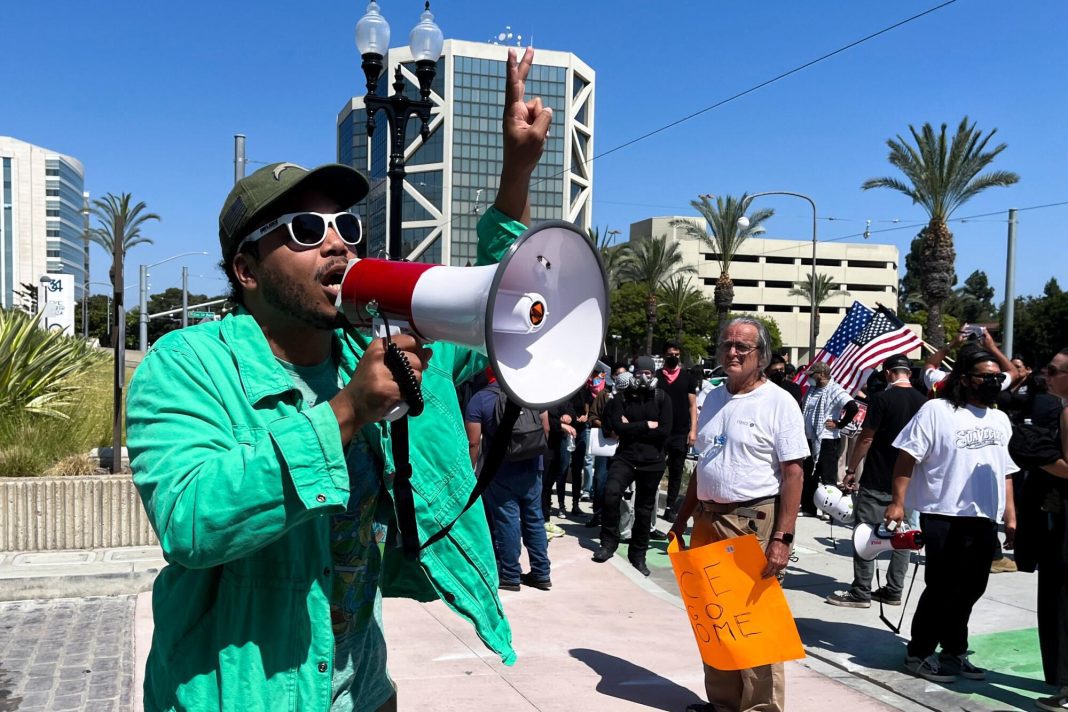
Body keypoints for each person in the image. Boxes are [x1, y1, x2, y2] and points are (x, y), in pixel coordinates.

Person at [127, 47, 551, 711]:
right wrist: (347, 413)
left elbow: (500, 309)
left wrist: (517, 172)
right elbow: (190, 522)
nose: (338, 244)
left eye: (346, 226)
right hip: (240, 695)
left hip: (362, 690)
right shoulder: (185, 366)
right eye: (304, 229)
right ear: (246, 269)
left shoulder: (375, 346)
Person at [671, 317, 807, 712]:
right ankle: (724, 703)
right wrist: (681, 519)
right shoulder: (713, 397)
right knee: (713, 617)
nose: (732, 352)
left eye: (742, 347)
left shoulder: (779, 402)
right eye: (727, 344)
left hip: (752, 522)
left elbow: (793, 473)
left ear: (761, 356)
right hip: (706, 520)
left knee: (753, 621)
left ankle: (761, 708)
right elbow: (704, 465)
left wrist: (782, 538)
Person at [884, 349, 1019, 684]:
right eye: (985, 376)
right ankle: (919, 653)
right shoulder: (936, 410)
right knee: (943, 588)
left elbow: (1006, 472)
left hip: (984, 517)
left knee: (972, 588)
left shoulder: (999, 419)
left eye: (995, 377)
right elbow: (906, 458)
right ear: (963, 378)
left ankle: (955, 651)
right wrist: (898, 503)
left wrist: (1011, 516)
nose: (993, 382)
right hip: (943, 515)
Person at [826, 354, 926, 608]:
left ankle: (861, 590)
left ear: (888, 373)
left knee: (866, 533)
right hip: (910, 481)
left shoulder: (882, 399)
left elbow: (867, 438)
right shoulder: (924, 402)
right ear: (909, 374)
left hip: (878, 476)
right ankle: (894, 589)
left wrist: (851, 468)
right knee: (902, 534)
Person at [464, 368, 552, 592]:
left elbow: (473, 442)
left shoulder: (480, 399)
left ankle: (510, 575)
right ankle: (541, 573)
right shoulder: (529, 393)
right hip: (532, 468)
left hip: (499, 469)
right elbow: (546, 428)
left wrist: (471, 471)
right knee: (534, 518)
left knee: (507, 520)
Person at [593, 356, 671, 576]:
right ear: (632, 375)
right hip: (626, 457)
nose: (643, 378)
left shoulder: (662, 398)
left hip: (652, 461)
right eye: (639, 374)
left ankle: (638, 555)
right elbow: (616, 426)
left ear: (654, 376)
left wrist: (632, 427)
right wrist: (646, 425)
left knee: (644, 510)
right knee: (611, 493)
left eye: (648, 374)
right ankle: (608, 543)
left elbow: (665, 431)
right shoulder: (623, 398)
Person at [800, 361, 858, 517]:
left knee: (828, 475)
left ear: (821, 375)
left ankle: (828, 509)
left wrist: (840, 424)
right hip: (810, 438)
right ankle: (808, 508)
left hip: (827, 438)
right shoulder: (812, 390)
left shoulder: (835, 390)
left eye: (812, 375)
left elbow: (853, 407)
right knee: (809, 474)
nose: (809, 378)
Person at [656, 341, 699, 524]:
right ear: (664, 356)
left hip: (680, 432)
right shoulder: (657, 377)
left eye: (676, 354)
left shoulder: (687, 378)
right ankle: (650, 504)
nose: (673, 357)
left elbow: (692, 405)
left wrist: (693, 430)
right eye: (670, 354)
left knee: (676, 472)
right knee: (656, 469)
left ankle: (670, 508)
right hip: (659, 431)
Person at [585, 363, 629, 528]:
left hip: (624, 446)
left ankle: (617, 517)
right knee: (600, 479)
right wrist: (606, 426)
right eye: (617, 374)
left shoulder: (631, 396)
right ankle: (597, 514)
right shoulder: (605, 394)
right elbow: (592, 416)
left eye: (624, 375)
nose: (621, 378)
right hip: (605, 444)